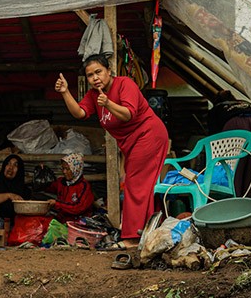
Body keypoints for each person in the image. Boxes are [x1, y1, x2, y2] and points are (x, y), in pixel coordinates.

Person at [55, 54, 168, 247]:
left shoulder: (125, 84)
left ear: (109, 70)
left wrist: (108, 103)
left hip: (148, 135)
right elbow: (80, 113)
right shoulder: (93, 95)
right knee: (140, 186)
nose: (95, 78)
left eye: (98, 72)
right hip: (130, 143)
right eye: (90, 75)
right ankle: (148, 232)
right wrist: (65, 92)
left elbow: (128, 114)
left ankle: (132, 238)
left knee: (135, 185)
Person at [208, 90, 251, 216]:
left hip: (235, 126)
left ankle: (235, 217)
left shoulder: (216, 110)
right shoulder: (245, 103)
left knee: (233, 177)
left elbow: (213, 143)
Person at [46, 153, 95, 223]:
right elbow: (47, 187)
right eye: (63, 168)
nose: (64, 172)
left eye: (67, 169)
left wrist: (56, 204)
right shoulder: (61, 182)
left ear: (76, 169)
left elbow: (78, 208)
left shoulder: (84, 186)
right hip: (62, 221)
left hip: (78, 223)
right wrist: (43, 171)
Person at [0, 154, 31, 222]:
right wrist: (9, 195)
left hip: (18, 225)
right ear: (4, 166)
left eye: (15, 165)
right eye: (8, 164)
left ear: (19, 170)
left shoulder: (25, 190)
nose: (11, 167)